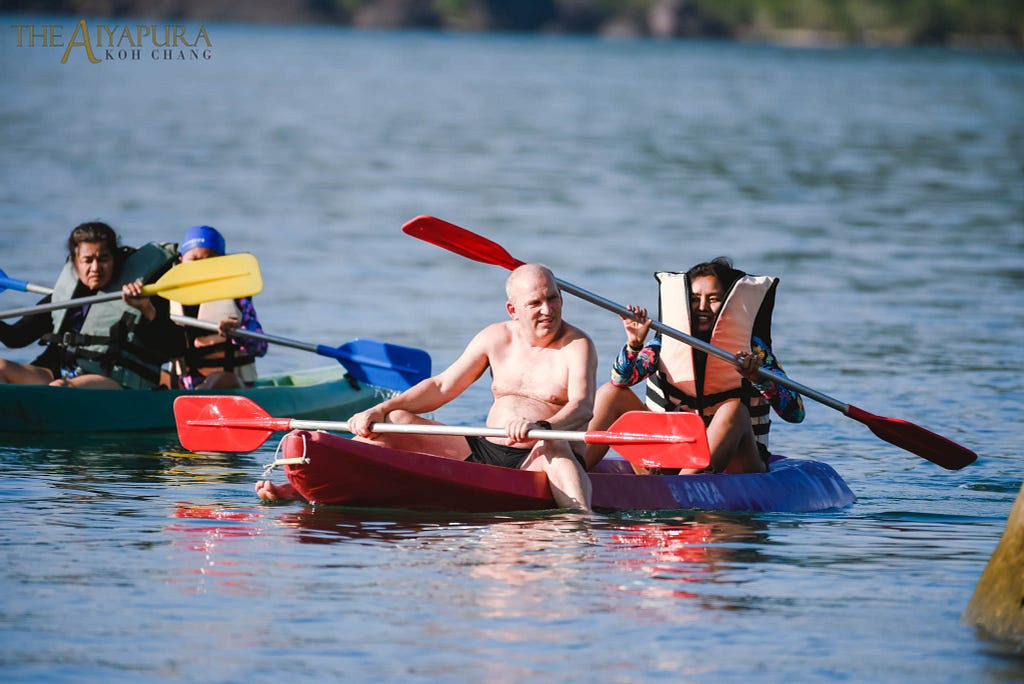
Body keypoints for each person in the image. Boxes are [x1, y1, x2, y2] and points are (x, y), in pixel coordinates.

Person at [256, 263, 598, 511]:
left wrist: (542, 428)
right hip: (484, 450)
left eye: (552, 299)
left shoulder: (578, 345)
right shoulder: (494, 337)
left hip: (544, 452)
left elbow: (582, 408)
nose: (548, 310)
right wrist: (381, 409)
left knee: (557, 449)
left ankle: (581, 525)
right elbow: (442, 386)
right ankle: (305, 485)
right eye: (535, 303)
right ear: (513, 310)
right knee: (399, 420)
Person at [585, 257, 804, 475]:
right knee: (611, 393)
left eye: (713, 299)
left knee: (734, 410)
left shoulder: (754, 351)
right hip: (667, 455)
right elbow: (621, 380)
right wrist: (634, 345)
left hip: (736, 464)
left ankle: (685, 485)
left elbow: (795, 413)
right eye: (694, 298)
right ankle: (571, 470)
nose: (702, 307)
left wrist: (760, 379)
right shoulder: (664, 342)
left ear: (729, 304)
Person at [0, 221, 184, 388]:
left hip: (113, 380)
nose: (95, 268)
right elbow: (16, 338)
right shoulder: (66, 295)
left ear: (115, 260)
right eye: (88, 260)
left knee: (60, 387)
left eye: (103, 259)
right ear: (75, 262)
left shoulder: (139, 294)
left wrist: (146, 308)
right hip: (56, 373)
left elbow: (175, 348)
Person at [167, 225, 268, 390]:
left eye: (210, 261)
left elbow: (261, 347)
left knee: (222, 380)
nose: (201, 268)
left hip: (230, 385)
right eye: (194, 260)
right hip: (182, 385)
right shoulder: (168, 298)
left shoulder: (238, 296)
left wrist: (238, 332)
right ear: (181, 262)